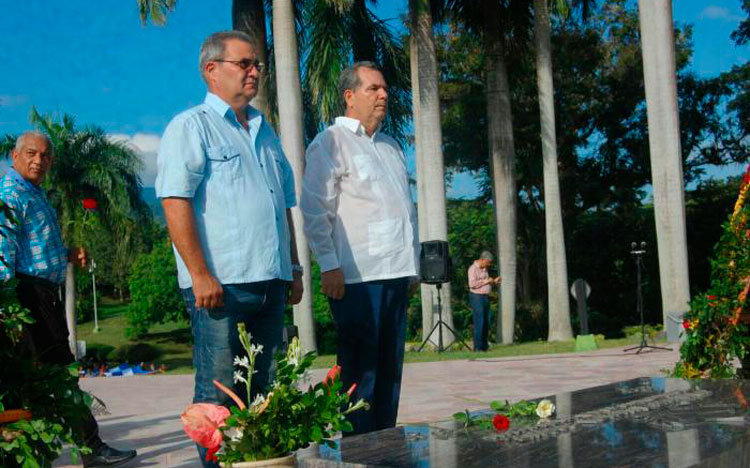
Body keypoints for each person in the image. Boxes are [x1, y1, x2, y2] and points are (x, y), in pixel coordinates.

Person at [155, 30, 303, 466]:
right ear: (211, 70)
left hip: (270, 284)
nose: (255, 71)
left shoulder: (265, 131)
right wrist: (200, 274)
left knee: (266, 393)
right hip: (220, 287)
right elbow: (175, 201)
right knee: (217, 396)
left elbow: (283, 204)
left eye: (257, 63)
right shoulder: (191, 127)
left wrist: (292, 266)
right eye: (245, 63)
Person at [0, 131, 137, 468]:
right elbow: (2, 253)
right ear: (14, 157)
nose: (38, 161)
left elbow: (34, 249)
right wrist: (8, 310)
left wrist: (67, 255)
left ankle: (76, 451)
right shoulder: (11, 193)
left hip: (42, 293)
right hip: (25, 296)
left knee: (49, 376)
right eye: (31, 154)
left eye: (45, 156)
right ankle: (87, 451)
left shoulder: (34, 193)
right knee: (53, 375)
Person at [300, 61, 419, 435]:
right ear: (349, 96)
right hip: (356, 278)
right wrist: (329, 266)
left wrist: (411, 267)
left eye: (385, 89)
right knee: (359, 374)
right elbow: (316, 210)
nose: (384, 95)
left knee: (389, 372)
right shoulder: (331, 141)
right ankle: (357, 452)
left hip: (395, 274)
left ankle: (385, 447)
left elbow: (403, 211)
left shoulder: (391, 146)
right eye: (374, 88)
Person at [467, 250, 501, 352]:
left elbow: (485, 283)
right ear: (482, 260)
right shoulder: (472, 269)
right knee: (479, 321)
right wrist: (487, 281)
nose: (489, 265)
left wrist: (494, 282)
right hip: (477, 297)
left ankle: (484, 346)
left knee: (487, 321)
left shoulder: (484, 269)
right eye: (488, 262)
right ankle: (478, 347)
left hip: (485, 297)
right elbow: (472, 284)